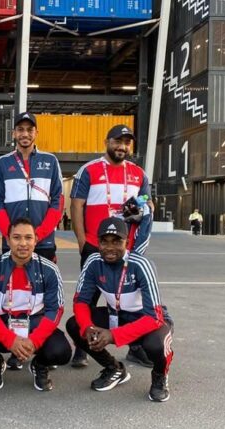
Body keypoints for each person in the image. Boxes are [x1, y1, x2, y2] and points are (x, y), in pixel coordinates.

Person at [69, 124, 153, 368]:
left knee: (128, 300)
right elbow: (76, 205)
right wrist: (82, 241)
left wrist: (139, 208)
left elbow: (148, 203)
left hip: (126, 250)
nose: (122, 146)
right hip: (95, 246)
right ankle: (82, 346)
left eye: (127, 142)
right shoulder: (89, 170)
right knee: (88, 297)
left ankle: (135, 347)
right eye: (118, 141)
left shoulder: (139, 174)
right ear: (107, 142)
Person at [65, 217, 173, 402]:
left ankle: (159, 376)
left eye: (116, 241)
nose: (109, 247)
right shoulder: (93, 262)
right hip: (116, 316)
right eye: (104, 241)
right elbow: (81, 301)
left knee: (156, 345)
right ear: (97, 242)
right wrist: (88, 327)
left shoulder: (141, 264)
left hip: (147, 320)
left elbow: (154, 317)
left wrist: (113, 335)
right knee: (75, 325)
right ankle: (113, 368)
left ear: (127, 242)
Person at [0, 111, 63, 370]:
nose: (25, 134)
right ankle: (14, 346)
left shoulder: (50, 161)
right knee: (13, 295)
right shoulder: (2, 164)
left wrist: (39, 234)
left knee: (41, 297)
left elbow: (58, 201)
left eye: (29, 129)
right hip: (12, 242)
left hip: (43, 241)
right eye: (20, 129)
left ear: (36, 133)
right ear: (14, 134)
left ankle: (40, 348)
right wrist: (10, 236)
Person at [0, 218, 71, 392]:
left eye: (28, 237)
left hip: (35, 323)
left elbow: (54, 311)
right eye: (17, 237)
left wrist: (34, 341)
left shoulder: (49, 269)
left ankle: (40, 365)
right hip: (4, 323)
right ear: (8, 239)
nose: (23, 243)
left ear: (36, 240)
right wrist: (10, 340)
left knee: (61, 351)